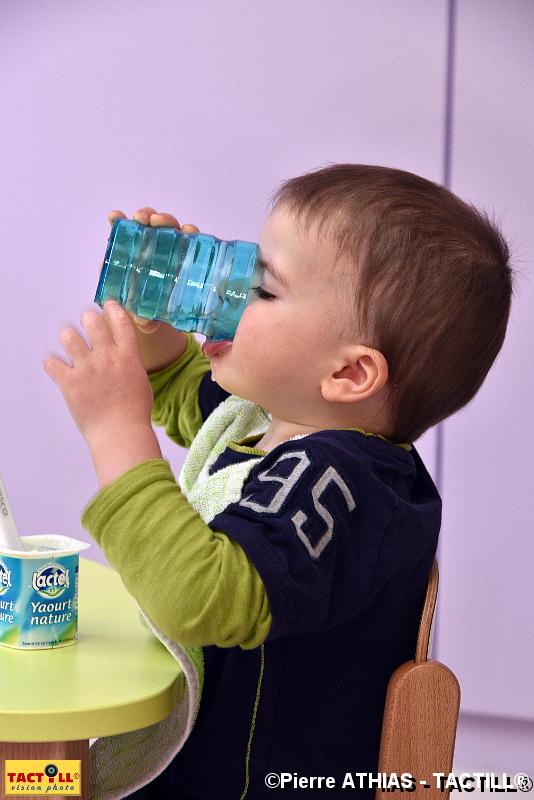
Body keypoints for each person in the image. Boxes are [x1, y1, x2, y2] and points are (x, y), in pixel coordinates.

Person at [43, 164, 516, 799]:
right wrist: (155, 335)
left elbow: (199, 597)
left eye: (264, 290)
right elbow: (191, 399)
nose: (232, 291)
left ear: (349, 374)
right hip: (197, 762)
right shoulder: (280, 416)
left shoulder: (342, 485)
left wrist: (114, 432)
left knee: (33, 771)